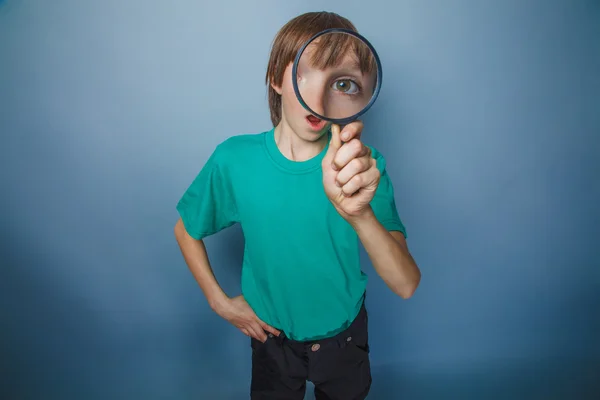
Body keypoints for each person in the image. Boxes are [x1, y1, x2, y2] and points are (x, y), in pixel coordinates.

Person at [174, 11, 421, 400]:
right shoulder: (234, 159)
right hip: (273, 341)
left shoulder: (362, 168)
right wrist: (220, 302)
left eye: (342, 82)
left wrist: (359, 213)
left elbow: (405, 283)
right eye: (305, 74)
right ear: (276, 79)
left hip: (344, 338)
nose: (320, 98)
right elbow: (185, 229)